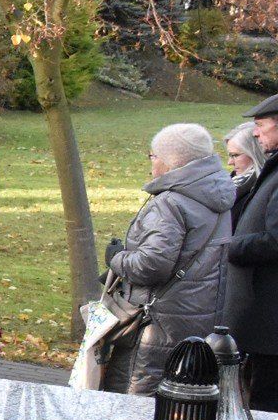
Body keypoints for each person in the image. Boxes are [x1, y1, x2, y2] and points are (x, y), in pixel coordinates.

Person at [98, 124, 235, 395]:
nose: (151, 162)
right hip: (197, 319)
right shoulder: (217, 195)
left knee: (137, 407)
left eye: (153, 155)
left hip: (157, 326)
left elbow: (151, 266)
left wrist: (116, 258)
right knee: (182, 405)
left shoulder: (170, 203)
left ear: (171, 161)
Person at [225, 95, 278, 410]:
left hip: (271, 331)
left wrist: (229, 247)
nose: (256, 134)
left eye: (261, 126)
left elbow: (276, 241)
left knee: (267, 412)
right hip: (265, 329)